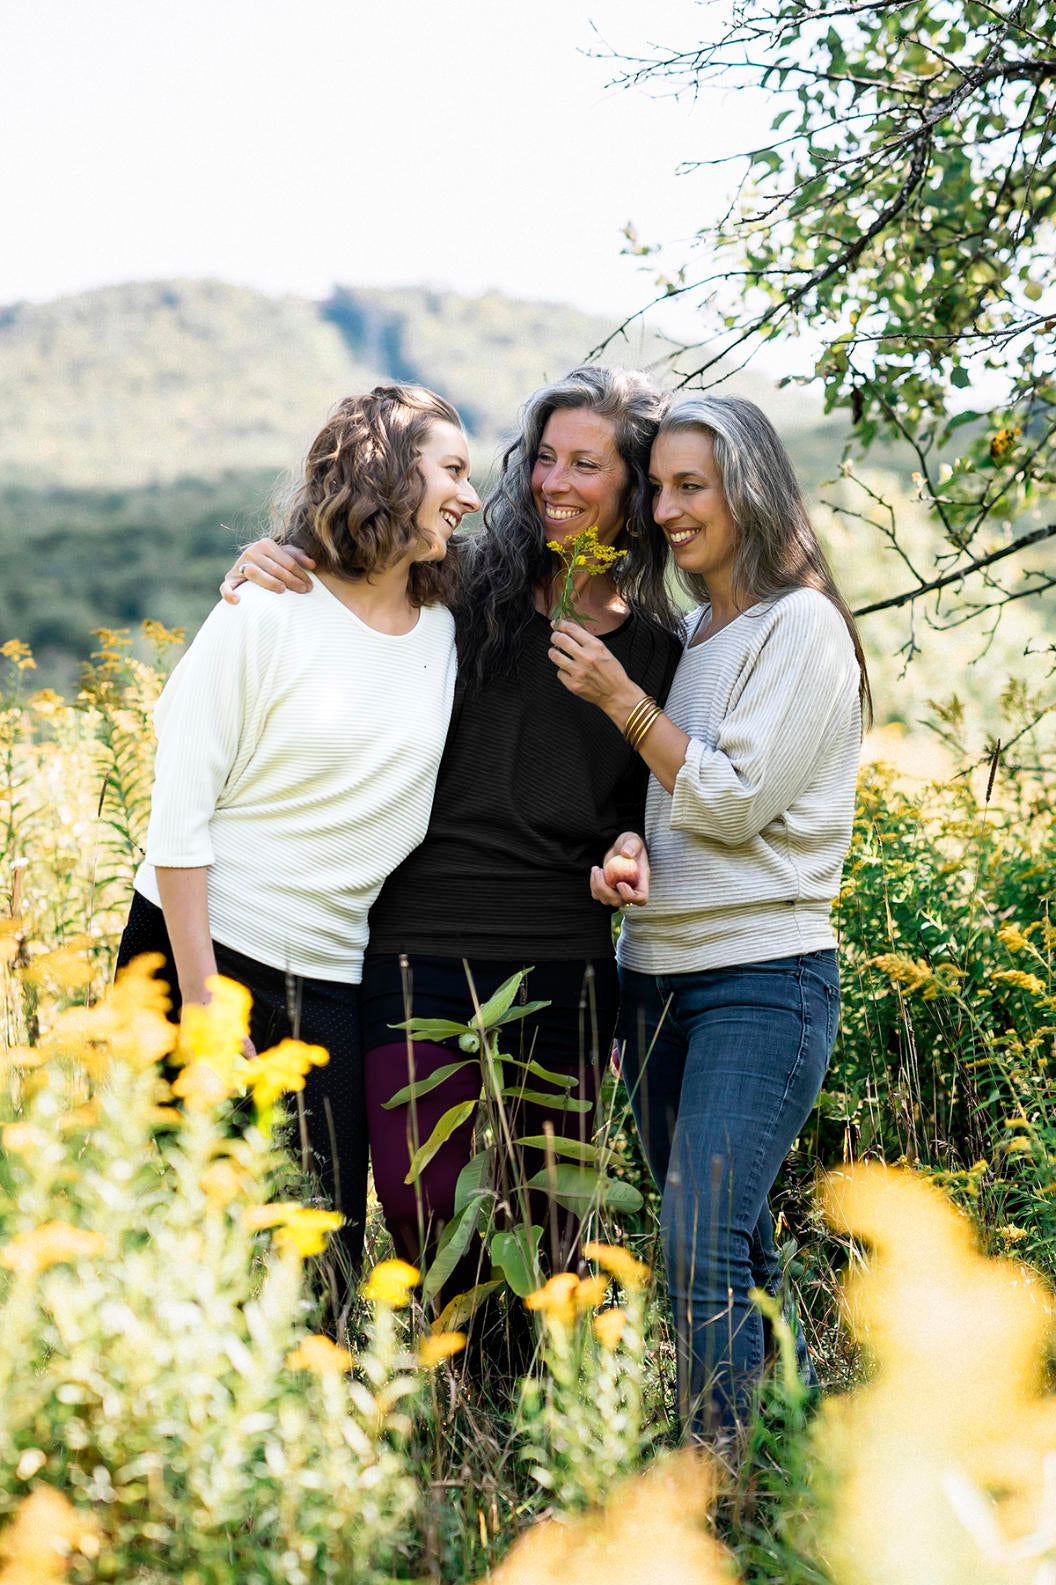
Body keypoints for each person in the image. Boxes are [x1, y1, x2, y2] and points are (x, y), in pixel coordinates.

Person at [223, 367, 683, 1301]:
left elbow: (631, 815)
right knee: (426, 1207)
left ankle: (508, 1433)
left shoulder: (657, 653)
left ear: (635, 487)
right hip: (416, 948)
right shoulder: (459, 590)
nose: (553, 481)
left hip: (566, 962)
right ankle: (438, 1400)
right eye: (543, 457)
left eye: (586, 463)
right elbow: (346, 588)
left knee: (545, 1241)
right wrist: (264, 562)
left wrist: (625, 854)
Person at [547, 394, 870, 1440]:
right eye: (660, 487)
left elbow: (732, 797)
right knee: (731, 1249)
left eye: (695, 485)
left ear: (753, 489)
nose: (670, 510)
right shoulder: (692, 634)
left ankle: (723, 1482)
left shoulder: (801, 625)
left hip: (760, 978)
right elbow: (676, 802)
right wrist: (628, 856)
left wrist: (621, 702)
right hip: (657, 976)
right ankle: (797, 1473)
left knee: (697, 1242)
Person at [116, 384, 480, 1282]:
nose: (471, 496)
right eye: (453, 470)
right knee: (186, 1249)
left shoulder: (449, 623)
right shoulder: (266, 609)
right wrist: (201, 998)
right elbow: (180, 811)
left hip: (332, 976)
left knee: (317, 1265)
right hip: (197, 953)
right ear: (388, 471)